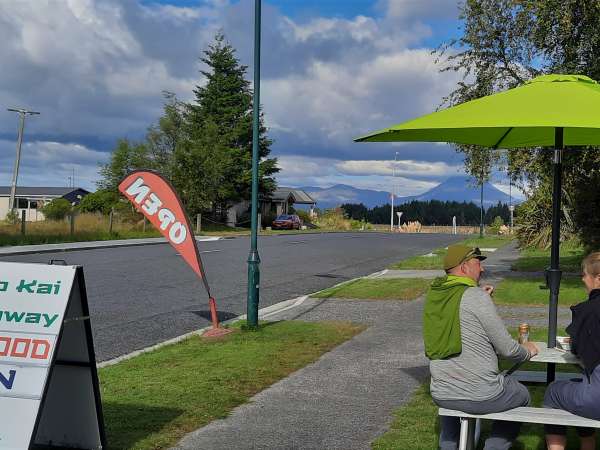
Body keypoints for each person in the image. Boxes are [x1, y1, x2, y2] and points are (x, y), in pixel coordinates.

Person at [423, 244, 539, 450]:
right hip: (481, 394)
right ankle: (494, 446)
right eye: (478, 263)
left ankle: (448, 446)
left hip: (441, 392)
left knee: (454, 400)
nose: (482, 269)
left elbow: (463, 316)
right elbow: (508, 350)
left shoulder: (436, 295)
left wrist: (481, 296)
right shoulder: (476, 297)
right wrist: (527, 351)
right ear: (464, 267)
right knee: (522, 394)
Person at [544, 252, 600, 450]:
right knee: (579, 384)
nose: (583, 280)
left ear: (598, 278)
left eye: (584, 275)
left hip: (596, 400)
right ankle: (588, 444)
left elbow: (577, 350)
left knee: (553, 391)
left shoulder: (589, 311)